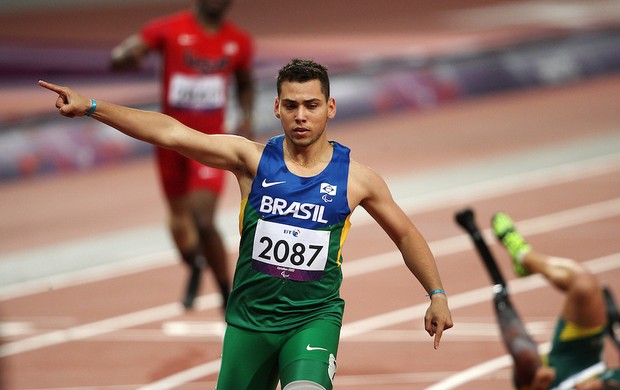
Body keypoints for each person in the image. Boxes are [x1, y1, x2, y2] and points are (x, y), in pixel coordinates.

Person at [38, 58, 453, 390]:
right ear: (276, 108)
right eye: (290, 105)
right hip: (249, 321)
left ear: (330, 107)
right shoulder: (250, 160)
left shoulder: (357, 179)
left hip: (313, 317)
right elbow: (172, 133)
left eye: (311, 105)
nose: (300, 116)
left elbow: (405, 233)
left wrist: (436, 292)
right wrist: (94, 107)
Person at [109, 0, 255, 310]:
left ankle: (226, 296)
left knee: (202, 220)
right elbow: (127, 52)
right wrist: (124, 57)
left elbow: (245, 81)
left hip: (211, 144)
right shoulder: (168, 29)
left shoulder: (238, 42)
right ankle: (196, 263)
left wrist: (247, 116)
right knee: (179, 222)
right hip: (169, 141)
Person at [490, 211, 620, 389]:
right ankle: (523, 255)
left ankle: (523, 256)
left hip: (556, 379)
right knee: (585, 285)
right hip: (587, 361)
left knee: (526, 360)